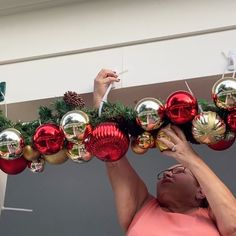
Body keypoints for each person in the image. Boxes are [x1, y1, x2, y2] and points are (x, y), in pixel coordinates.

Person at [93, 69, 236, 236]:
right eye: (166, 173)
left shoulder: (212, 218)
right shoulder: (142, 208)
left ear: (201, 191)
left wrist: (190, 158)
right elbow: (113, 158)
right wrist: (99, 100)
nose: (167, 174)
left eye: (179, 170)